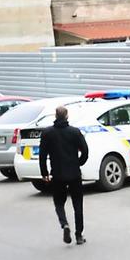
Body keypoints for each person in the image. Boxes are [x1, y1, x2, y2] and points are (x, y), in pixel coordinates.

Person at [39, 105, 89, 245]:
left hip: (58, 174)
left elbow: (42, 155)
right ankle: (79, 235)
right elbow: (85, 151)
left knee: (59, 202)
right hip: (74, 174)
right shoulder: (74, 132)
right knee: (77, 204)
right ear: (67, 116)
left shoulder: (48, 133)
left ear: (55, 116)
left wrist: (44, 172)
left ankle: (64, 224)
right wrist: (79, 163)